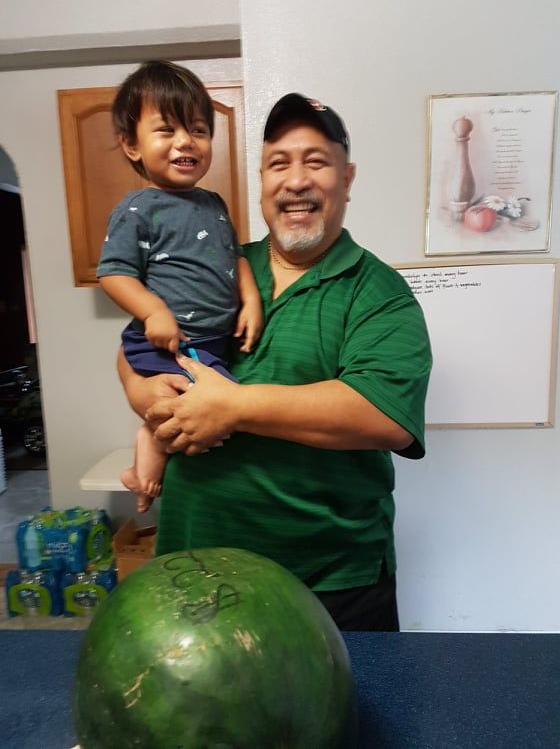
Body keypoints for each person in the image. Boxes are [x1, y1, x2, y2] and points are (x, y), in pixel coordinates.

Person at [118, 92, 432, 631]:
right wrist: (142, 393)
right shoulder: (219, 263)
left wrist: (234, 407)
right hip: (195, 569)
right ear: (262, 181)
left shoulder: (379, 292)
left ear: (347, 179)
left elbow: (384, 416)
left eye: (316, 162)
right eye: (279, 164)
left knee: (345, 691)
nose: (296, 181)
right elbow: (139, 342)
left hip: (332, 584)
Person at [97, 60, 262, 512]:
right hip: (170, 343)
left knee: (205, 411)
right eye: (166, 130)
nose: (186, 141)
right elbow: (113, 273)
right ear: (132, 145)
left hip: (208, 342)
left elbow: (235, 256)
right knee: (207, 411)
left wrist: (250, 299)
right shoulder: (137, 208)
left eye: (198, 130)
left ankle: (145, 457)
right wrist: (154, 311)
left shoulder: (214, 203)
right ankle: (145, 471)